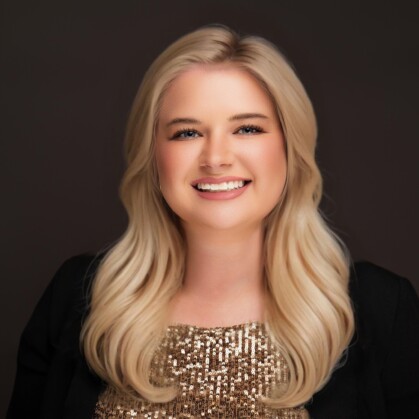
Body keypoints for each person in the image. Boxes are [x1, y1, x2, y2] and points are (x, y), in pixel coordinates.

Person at [7, 25, 419, 419]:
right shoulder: (77, 299)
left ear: (290, 147)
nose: (216, 158)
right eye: (187, 133)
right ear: (152, 156)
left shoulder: (383, 310)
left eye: (248, 128)